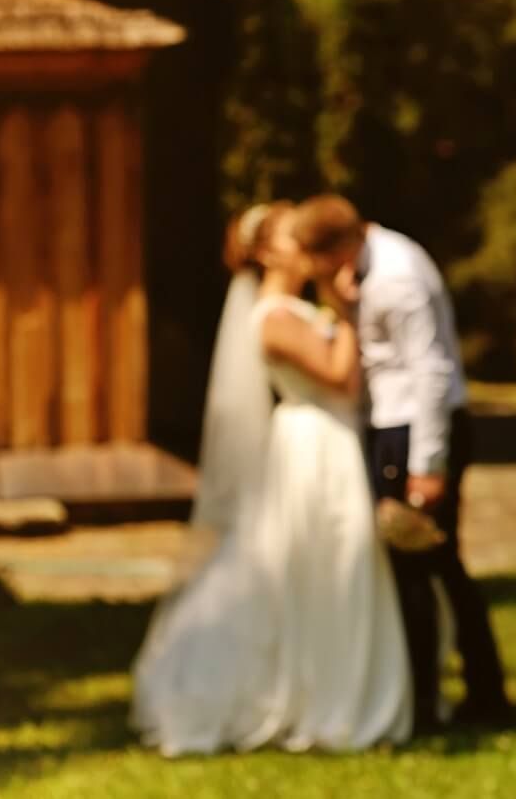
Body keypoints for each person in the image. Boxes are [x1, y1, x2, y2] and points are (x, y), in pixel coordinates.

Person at [130, 202, 418, 755]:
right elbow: (339, 377)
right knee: (330, 560)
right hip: (314, 447)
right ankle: (326, 700)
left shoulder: (294, 309)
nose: (305, 246)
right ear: (265, 252)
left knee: (338, 563)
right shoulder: (274, 317)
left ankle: (349, 692)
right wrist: (347, 311)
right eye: (292, 237)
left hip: (329, 441)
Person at [292, 193, 510, 728]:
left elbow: (431, 373)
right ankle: (447, 691)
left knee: (425, 567)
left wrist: (427, 464)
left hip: (416, 430)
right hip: (395, 427)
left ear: (337, 246)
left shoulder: (397, 278)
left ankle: (441, 699)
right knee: (422, 566)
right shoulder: (366, 268)